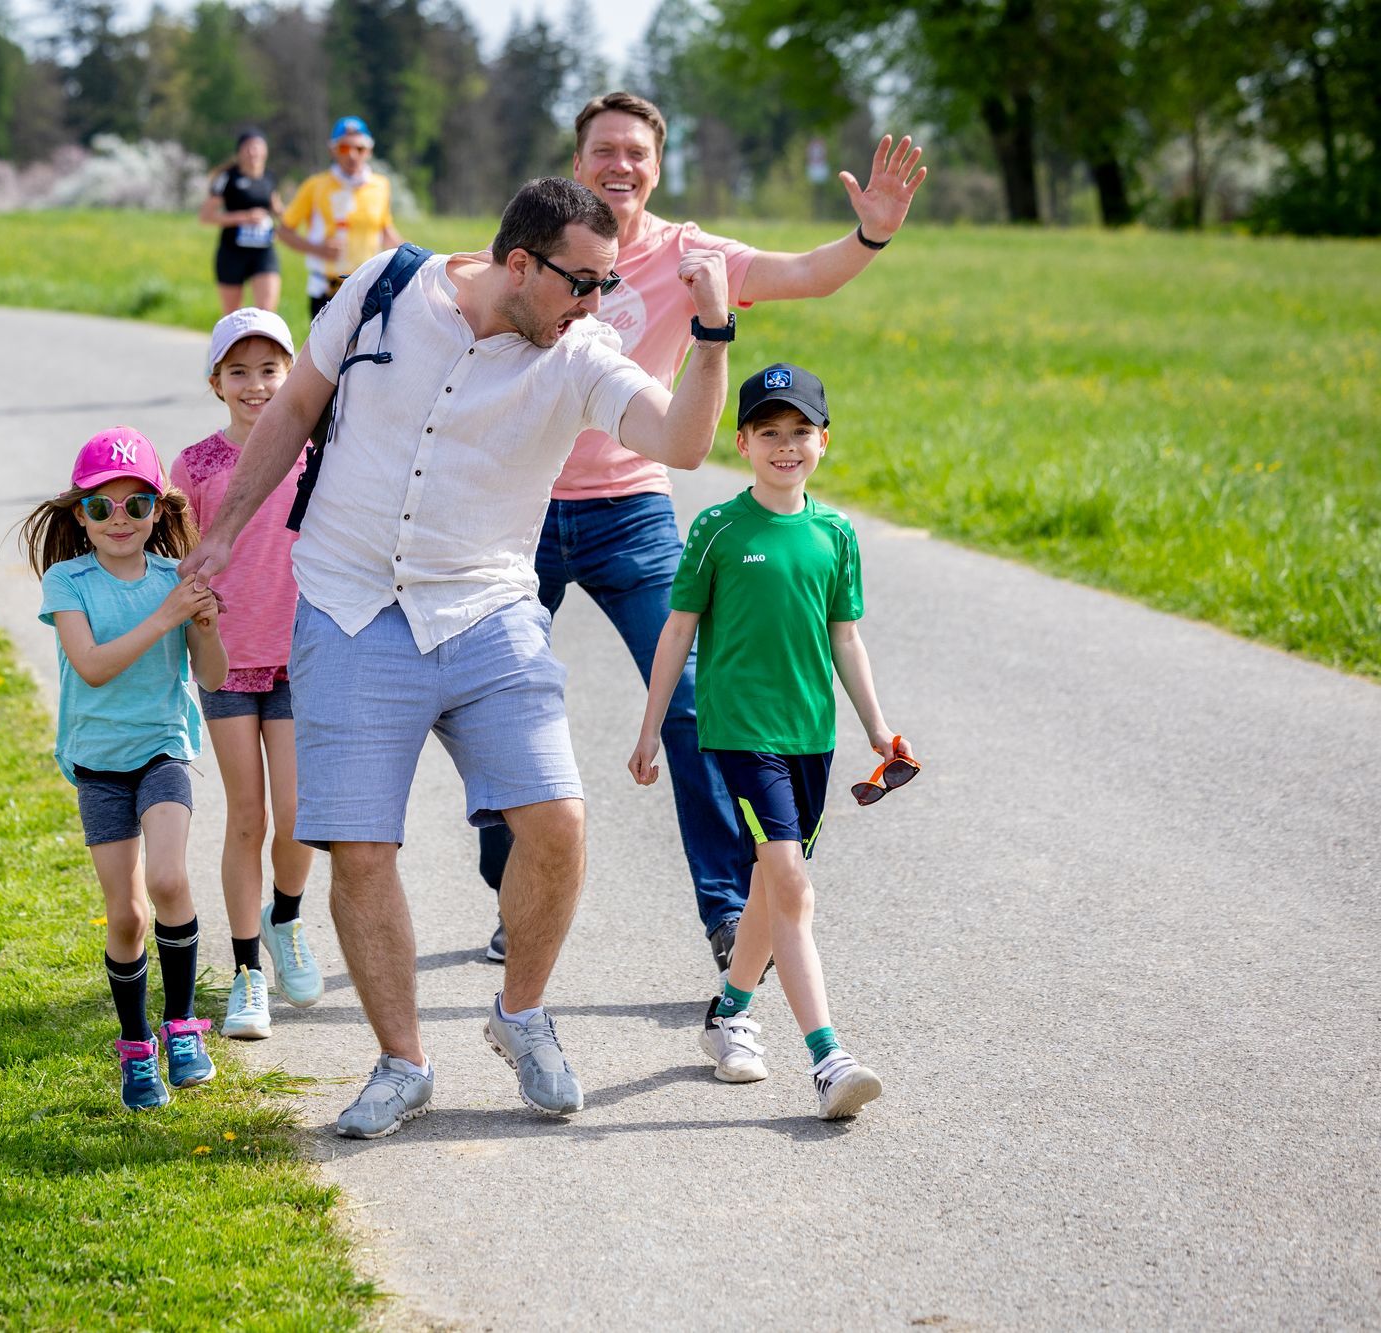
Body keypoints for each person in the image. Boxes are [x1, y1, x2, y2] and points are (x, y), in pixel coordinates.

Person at [181, 177, 735, 1139]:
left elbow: (683, 443)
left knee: (556, 822)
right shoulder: (383, 289)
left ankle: (520, 1013)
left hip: (486, 610)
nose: (596, 305)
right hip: (351, 607)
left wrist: (714, 334)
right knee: (359, 849)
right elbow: (296, 407)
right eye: (581, 283)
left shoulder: (581, 354)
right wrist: (225, 531)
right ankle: (403, 1064)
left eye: (606, 286)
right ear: (518, 263)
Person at [475, 91, 928, 1002]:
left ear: (656, 164)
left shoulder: (691, 254)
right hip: (519, 507)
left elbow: (808, 271)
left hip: (632, 507)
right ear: (578, 160)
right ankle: (511, 877)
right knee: (493, 700)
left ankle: (726, 910)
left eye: (637, 153)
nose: (621, 166)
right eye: (605, 150)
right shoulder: (546, 239)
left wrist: (869, 236)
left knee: (686, 703)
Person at [629, 362, 913, 1120]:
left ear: (823, 440)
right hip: (739, 731)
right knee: (791, 881)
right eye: (769, 433)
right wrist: (651, 726)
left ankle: (728, 1015)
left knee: (769, 884)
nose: (785, 446)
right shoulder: (717, 528)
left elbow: (845, 638)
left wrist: (877, 728)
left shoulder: (836, 533)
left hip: (808, 734)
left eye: (800, 433)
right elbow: (678, 629)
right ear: (744, 441)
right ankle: (828, 1056)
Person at [22, 427, 230, 1111]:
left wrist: (201, 623)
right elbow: (95, 666)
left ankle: (182, 1027)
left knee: (170, 878)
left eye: (137, 505)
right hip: (98, 765)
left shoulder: (176, 578)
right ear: (79, 515)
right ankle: (137, 1047)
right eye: (102, 507)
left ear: (159, 513)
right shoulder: (67, 581)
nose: (120, 520)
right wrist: (168, 613)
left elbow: (214, 674)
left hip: (163, 748)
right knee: (127, 916)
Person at [173, 308, 321, 1042]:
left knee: (297, 816)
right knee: (247, 817)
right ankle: (245, 975)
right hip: (227, 661)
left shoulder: (319, 447)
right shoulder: (196, 466)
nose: (256, 384)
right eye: (239, 371)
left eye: (269, 369)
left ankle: (285, 918)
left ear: (292, 374)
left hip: (303, 655)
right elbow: (186, 554)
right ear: (216, 382)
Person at [276, 116, 404, 318]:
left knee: (367, 350)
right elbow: (283, 231)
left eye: (359, 149)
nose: (352, 155)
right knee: (327, 351)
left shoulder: (380, 185)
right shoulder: (316, 186)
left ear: (369, 151)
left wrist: (420, 258)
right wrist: (318, 249)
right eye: (344, 148)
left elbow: (386, 232)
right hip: (327, 288)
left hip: (368, 287)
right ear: (333, 150)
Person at [199, 130, 284, 315]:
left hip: (263, 250)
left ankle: (261, 343)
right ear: (239, 152)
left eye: (257, 148)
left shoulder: (269, 177)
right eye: (248, 148)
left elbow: (277, 209)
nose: (253, 152)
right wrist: (244, 217)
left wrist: (286, 223)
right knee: (232, 314)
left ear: (265, 152)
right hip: (232, 252)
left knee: (266, 313)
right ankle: (227, 344)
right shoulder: (228, 177)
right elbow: (206, 216)